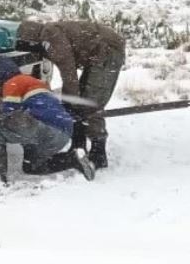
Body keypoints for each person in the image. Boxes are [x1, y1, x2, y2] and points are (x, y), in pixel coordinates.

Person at [15, 20, 126, 169]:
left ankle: (98, 153)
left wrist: (69, 102)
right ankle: (78, 147)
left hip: (107, 51)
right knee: (82, 103)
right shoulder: (49, 34)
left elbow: (69, 75)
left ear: (32, 38)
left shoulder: (50, 38)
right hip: (99, 52)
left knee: (91, 103)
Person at [0, 55, 95, 185]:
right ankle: (72, 159)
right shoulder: (36, 82)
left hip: (44, 129)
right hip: (63, 133)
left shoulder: (13, 83)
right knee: (32, 166)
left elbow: (10, 115)